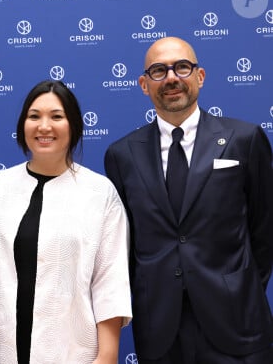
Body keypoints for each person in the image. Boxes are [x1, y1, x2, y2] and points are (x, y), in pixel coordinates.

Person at [104, 36, 273, 363]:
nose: (171, 78)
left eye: (182, 67)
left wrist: (240, 285)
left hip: (238, 324)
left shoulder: (244, 140)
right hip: (161, 331)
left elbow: (265, 230)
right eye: (158, 71)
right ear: (143, 84)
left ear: (200, 76)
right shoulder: (122, 155)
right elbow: (124, 246)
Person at [0, 80, 132, 364]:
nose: (44, 126)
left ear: (73, 125)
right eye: (34, 116)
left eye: (57, 117)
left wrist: (107, 356)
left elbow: (110, 282)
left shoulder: (99, 193)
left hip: (74, 353)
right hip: (2, 352)